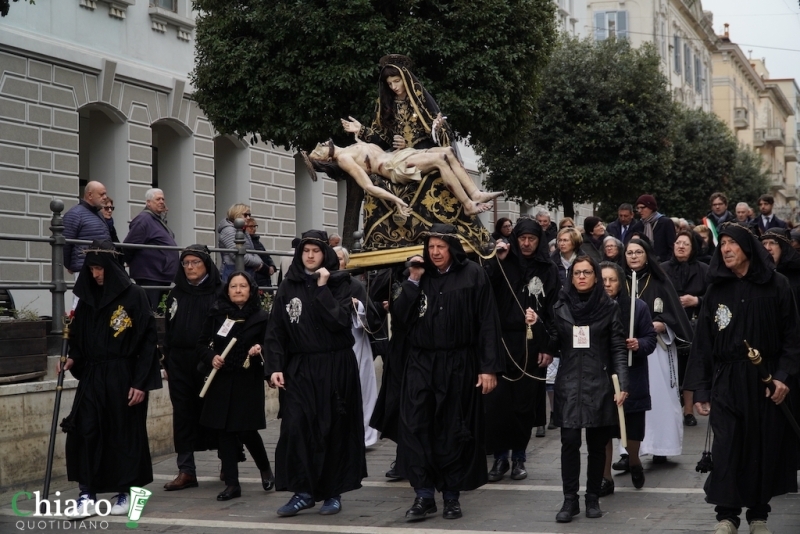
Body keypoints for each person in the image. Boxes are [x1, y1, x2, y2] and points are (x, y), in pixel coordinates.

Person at [684, 222, 800, 534]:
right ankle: (727, 515)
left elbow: (792, 339)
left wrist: (784, 378)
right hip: (727, 380)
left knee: (762, 448)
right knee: (727, 447)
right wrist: (701, 389)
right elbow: (704, 344)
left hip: (765, 382)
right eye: (722, 245)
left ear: (748, 248)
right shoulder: (716, 291)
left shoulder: (777, 286)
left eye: (731, 244)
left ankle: (759, 515)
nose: (725, 250)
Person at [393, 223, 503, 521]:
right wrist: (413, 280)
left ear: (452, 248)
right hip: (421, 363)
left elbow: (488, 324)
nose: (435, 252)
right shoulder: (417, 275)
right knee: (416, 426)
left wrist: (489, 367)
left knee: (453, 429)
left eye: (440, 246)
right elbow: (401, 319)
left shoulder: (473, 275)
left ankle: (451, 496)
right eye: (430, 247)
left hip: (458, 364)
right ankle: (424, 495)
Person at [265, 230, 366, 517]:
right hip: (300, 368)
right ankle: (303, 492)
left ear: (326, 255)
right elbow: (276, 331)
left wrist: (322, 289)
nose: (310, 255)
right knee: (296, 427)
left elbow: (339, 322)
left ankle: (332, 492)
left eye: (316, 251)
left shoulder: (341, 284)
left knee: (332, 429)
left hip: (335, 366)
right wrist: (274, 367)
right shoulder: (288, 286)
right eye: (306, 250)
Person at [59, 240, 161, 519]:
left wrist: (141, 382)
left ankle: (126, 490)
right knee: (85, 429)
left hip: (124, 375)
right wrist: (73, 358)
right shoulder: (86, 298)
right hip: (93, 375)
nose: (96, 275)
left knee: (123, 433)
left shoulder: (135, 296)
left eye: (100, 269)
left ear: (113, 267)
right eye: (91, 269)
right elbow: (78, 337)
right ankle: (86, 492)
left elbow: (146, 342)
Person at [552, 256, 628, 523]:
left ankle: (593, 497)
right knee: (569, 442)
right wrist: (534, 326)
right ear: (571, 277)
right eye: (576, 273)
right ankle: (569, 499)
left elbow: (618, 347)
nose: (581, 277)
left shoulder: (609, 307)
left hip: (599, 381)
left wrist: (623, 384)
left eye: (586, 272)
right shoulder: (561, 305)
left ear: (596, 276)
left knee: (597, 445)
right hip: (570, 382)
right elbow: (552, 344)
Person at [484, 218, 558, 481]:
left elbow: (552, 310)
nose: (526, 244)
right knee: (497, 403)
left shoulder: (547, 268)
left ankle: (519, 458)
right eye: (522, 238)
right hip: (502, 341)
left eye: (532, 239)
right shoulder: (503, 261)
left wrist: (549, 346)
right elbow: (486, 287)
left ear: (539, 241)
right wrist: (497, 259)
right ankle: (500, 458)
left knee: (524, 404)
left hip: (531, 342)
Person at [614, 238, 692, 470]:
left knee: (659, 400)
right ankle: (628, 451)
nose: (634, 256)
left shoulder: (660, 280)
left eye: (638, 252)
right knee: (628, 398)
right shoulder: (617, 281)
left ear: (647, 254)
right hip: (626, 349)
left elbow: (675, 316)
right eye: (629, 252)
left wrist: (662, 325)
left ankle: (661, 447)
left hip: (657, 350)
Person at [197, 271, 274, 501]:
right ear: (227, 290)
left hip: (247, 379)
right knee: (224, 432)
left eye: (243, 286)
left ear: (251, 290)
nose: (238, 290)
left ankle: (265, 468)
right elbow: (200, 344)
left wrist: (259, 349)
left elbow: (271, 344)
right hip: (222, 379)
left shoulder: (261, 317)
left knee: (247, 430)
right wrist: (212, 356)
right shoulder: (217, 314)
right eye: (233, 286)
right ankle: (232, 484)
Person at [162, 245, 224, 491]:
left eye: (194, 262)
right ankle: (186, 469)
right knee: (182, 414)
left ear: (206, 264)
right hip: (179, 362)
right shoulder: (176, 293)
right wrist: (166, 360)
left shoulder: (219, 293)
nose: (189, 267)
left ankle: (226, 463)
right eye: (185, 263)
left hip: (209, 361)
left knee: (216, 411)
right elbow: (168, 327)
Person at [308, 139, 502, 216]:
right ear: (324, 160)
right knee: (441, 159)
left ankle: (475, 194)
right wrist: (397, 200)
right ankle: (468, 205)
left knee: (449, 151)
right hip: (395, 168)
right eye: (317, 152)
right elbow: (367, 186)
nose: (320, 145)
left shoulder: (351, 145)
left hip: (398, 156)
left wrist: (360, 130)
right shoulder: (343, 159)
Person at [598, 262, 657, 496]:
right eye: (603, 280)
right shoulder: (590, 307)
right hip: (601, 376)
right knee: (602, 430)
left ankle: (634, 460)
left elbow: (650, 338)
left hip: (631, 375)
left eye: (612, 280)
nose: (608, 284)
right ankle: (605, 477)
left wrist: (638, 343)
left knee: (632, 430)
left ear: (621, 282)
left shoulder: (638, 307)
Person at [341, 55, 453, 151]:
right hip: (398, 154)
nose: (393, 87)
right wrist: (361, 130)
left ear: (406, 79)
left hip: (424, 152)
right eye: (389, 84)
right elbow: (383, 140)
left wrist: (436, 129)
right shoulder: (384, 103)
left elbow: (440, 134)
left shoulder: (419, 99)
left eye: (396, 81)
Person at [661, 231, 709, 427]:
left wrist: (697, 300)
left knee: (690, 367)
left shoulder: (704, 270)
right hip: (668, 324)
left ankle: (688, 410)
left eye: (685, 244)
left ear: (693, 248)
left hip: (694, 323)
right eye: (678, 243)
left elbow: (714, 298)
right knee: (670, 369)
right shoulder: (662, 269)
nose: (680, 246)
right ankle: (670, 409)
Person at [334, 245, 380, 447]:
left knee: (361, 387)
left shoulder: (354, 285)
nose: (336, 262)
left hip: (356, 342)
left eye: (340, 259)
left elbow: (370, 315)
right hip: (332, 346)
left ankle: (364, 435)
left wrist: (358, 307)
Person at [123, 188, 179, 310]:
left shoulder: (156, 219)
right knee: (150, 310)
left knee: (160, 311)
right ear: (148, 202)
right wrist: (128, 260)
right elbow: (129, 245)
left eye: (163, 199)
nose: (162, 202)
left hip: (161, 275)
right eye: (158, 199)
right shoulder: (144, 219)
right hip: (151, 275)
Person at [63, 181, 110, 308]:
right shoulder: (75, 214)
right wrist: (69, 264)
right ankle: (76, 325)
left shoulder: (97, 214)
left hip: (98, 265)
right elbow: (65, 243)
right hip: (84, 265)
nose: (105, 197)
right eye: (102, 194)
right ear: (90, 195)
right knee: (81, 301)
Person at [217, 204, 267, 283]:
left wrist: (260, 262)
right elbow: (236, 255)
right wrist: (258, 263)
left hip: (245, 270)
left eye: (249, 215)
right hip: (232, 271)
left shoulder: (242, 230)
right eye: (245, 215)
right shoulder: (228, 231)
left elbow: (252, 250)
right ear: (236, 214)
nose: (248, 217)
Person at [760, 228, 800, 305]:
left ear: (783, 247)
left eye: (773, 243)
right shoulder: (759, 275)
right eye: (764, 243)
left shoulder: (796, 275)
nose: (767, 248)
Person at [635, 194, 676, 262]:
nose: (639, 211)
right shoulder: (638, 226)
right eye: (638, 208)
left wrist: (667, 264)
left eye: (642, 208)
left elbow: (672, 247)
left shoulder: (665, 223)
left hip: (663, 264)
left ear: (651, 207)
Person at [246, 219, 277, 287]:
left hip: (264, 278)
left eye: (255, 226)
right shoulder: (247, 243)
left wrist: (272, 266)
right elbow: (253, 260)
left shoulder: (258, 242)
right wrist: (267, 269)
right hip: (257, 278)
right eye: (251, 226)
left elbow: (267, 256)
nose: (253, 229)